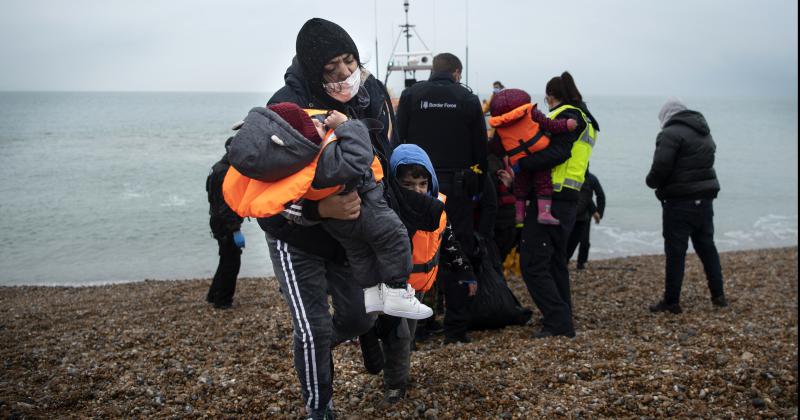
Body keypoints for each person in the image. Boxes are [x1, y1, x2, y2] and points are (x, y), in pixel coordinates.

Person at [228, 18, 424, 418]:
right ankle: (321, 406)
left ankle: (325, 344)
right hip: (293, 236)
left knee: (357, 316)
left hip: (347, 236)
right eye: (331, 68)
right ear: (313, 69)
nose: (344, 74)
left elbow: (385, 155)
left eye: (349, 61)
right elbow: (264, 199)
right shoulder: (284, 106)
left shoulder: (370, 91)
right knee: (314, 327)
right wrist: (319, 209)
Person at [228, 101, 433, 320]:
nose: (319, 124)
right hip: (367, 209)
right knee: (395, 238)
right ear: (300, 143)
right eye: (312, 127)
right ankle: (398, 291)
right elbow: (360, 156)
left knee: (359, 251)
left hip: (338, 224)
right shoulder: (325, 161)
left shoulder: (291, 169)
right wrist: (347, 125)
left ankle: (373, 293)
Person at [516, 71, 599, 339]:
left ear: (551, 96)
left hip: (550, 198)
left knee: (531, 263)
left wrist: (521, 164)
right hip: (568, 199)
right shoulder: (586, 118)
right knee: (554, 262)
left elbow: (558, 153)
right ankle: (562, 315)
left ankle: (558, 321)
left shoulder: (566, 117)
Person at [396, 52, 488, 259]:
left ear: (433, 70)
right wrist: (478, 187)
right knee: (457, 239)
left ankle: (420, 285)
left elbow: (397, 141)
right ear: (457, 73)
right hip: (457, 186)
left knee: (416, 237)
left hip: (416, 184)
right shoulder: (469, 99)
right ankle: (458, 285)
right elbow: (481, 150)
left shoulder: (411, 95)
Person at [390, 144, 477, 352]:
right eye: (408, 185)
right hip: (394, 288)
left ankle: (400, 369)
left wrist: (465, 271)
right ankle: (396, 381)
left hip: (420, 286)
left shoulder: (436, 209)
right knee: (397, 337)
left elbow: (449, 242)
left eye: (422, 184)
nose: (417, 190)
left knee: (408, 335)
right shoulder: (389, 211)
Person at [646, 97, 727, 314]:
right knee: (707, 247)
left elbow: (661, 166)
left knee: (676, 252)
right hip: (705, 200)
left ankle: (672, 301)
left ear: (667, 116)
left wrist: (651, 182)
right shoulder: (704, 132)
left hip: (679, 202)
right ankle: (718, 295)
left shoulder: (669, 134)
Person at [488, 88, 578, 226]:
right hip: (539, 153)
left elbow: (498, 149)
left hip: (519, 161)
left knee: (520, 187)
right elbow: (550, 125)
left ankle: (519, 216)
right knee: (544, 184)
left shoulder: (499, 127)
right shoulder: (531, 112)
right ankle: (544, 213)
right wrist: (566, 124)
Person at [205, 137, 244, 310]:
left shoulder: (217, 168)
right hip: (224, 223)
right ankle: (223, 301)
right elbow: (224, 205)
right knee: (232, 262)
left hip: (217, 220)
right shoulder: (225, 173)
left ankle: (213, 295)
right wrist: (235, 229)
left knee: (225, 258)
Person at [567, 169, 605, 269]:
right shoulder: (570, 176)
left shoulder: (591, 179)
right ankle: (563, 262)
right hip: (569, 214)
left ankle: (581, 263)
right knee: (566, 241)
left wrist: (599, 213)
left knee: (585, 242)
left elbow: (600, 195)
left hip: (583, 217)